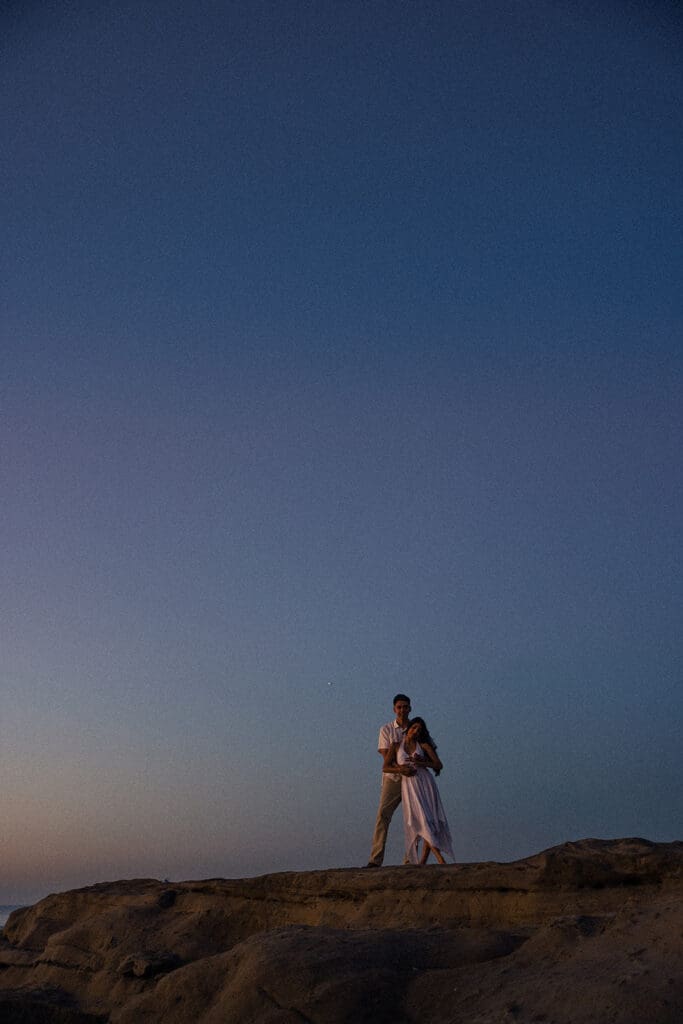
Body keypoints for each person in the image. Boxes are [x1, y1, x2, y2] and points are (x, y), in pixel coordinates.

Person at [383, 716, 454, 865]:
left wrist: (422, 762)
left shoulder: (423, 746)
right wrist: (400, 769)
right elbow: (385, 767)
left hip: (426, 784)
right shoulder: (396, 745)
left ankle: (423, 862)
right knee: (421, 819)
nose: (416, 731)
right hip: (409, 785)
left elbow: (438, 765)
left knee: (430, 820)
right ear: (408, 728)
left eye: (419, 730)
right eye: (414, 728)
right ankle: (440, 860)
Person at [365, 694, 414, 867]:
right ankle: (375, 859)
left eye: (405, 707)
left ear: (410, 708)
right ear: (394, 709)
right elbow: (386, 756)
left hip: (413, 779)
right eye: (399, 707)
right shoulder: (386, 729)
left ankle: (410, 860)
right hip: (393, 778)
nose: (402, 710)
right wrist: (401, 768)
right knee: (383, 815)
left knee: (414, 818)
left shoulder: (416, 728)